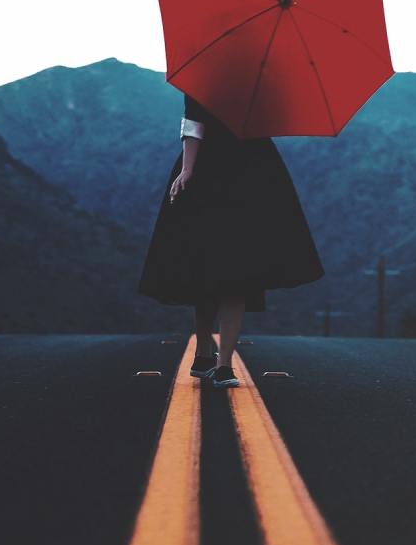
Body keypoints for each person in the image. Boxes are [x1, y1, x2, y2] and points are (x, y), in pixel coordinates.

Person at [136, 89, 324, 386]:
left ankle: (215, 359)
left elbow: (194, 125)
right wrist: (188, 170)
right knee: (225, 271)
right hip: (245, 173)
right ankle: (211, 357)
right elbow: (196, 124)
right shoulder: (247, 79)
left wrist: (188, 169)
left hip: (228, 175)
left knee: (223, 272)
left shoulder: (212, 78)